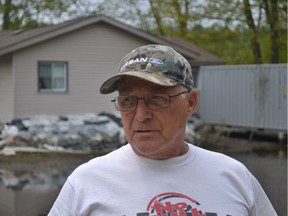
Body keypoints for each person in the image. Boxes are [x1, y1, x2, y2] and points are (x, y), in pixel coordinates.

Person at [48, 44, 277, 216]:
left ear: (190, 103)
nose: (140, 115)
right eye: (128, 100)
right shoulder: (85, 182)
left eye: (156, 98)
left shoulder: (235, 176)